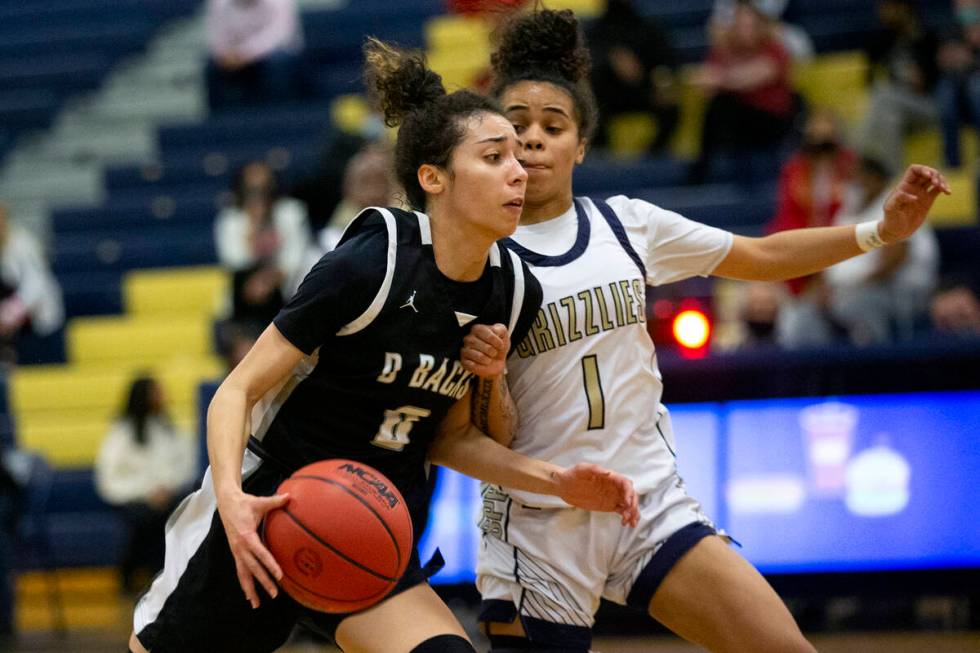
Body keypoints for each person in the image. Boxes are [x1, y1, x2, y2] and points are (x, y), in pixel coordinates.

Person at [129, 38, 639, 653]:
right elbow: (236, 390)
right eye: (494, 156)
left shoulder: (511, 291)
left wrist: (556, 480)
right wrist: (234, 501)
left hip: (366, 528)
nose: (519, 169)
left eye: (518, 157)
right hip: (267, 513)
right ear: (434, 178)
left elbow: (451, 438)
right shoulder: (371, 263)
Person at [462, 9, 949, 652]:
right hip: (537, 516)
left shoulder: (627, 224)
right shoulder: (471, 254)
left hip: (645, 499)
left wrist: (878, 232)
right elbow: (473, 424)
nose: (533, 139)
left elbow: (764, 256)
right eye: (516, 126)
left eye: (553, 127)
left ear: (580, 145)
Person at [94, 376, 198, 594]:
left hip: (167, 495)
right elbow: (109, 478)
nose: (162, 397)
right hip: (132, 500)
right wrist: (146, 492)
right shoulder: (121, 432)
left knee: (179, 516)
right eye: (155, 392)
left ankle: (166, 575)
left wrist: (166, 488)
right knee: (145, 520)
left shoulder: (168, 429)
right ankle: (135, 574)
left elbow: (185, 465)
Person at [214, 161, 312, 368]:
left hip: (286, 295)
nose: (258, 196)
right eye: (251, 191)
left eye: (263, 189)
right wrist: (254, 224)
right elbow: (235, 260)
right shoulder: (231, 219)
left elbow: (295, 257)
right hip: (244, 302)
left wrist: (268, 280)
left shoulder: (292, 212)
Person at [689, 0, 798, 183]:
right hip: (738, 123)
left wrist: (722, 79)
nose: (745, 29)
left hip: (770, 120)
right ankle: (702, 169)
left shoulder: (774, 49)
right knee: (718, 106)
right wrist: (719, 79)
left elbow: (757, 75)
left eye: (751, 24)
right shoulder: (724, 50)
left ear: (761, 25)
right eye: (741, 24)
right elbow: (704, 84)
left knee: (724, 104)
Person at [587, 0, 681, 155]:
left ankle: (654, 155)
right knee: (589, 108)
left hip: (644, 91)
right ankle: (601, 156)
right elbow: (584, 64)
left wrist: (663, 82)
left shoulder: (647, 28)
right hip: (607, 96)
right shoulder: (597, 31)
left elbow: (669, 62)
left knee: (670, 107)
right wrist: (611, 61)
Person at [856, 0, 939, 167]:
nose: (882, 12)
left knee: (883, 95)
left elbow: (933, 83)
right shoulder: (884, 37)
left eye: (887, 7)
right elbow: (868, 76)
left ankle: (856, 157)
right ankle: (893, 176)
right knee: (890, 117)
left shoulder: (927, 37)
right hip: (897, 108)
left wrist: (919, 77)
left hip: (927, 107)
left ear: (903, 7)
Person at [204, 0, 305, 111]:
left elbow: (281, 35)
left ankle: (279, 112)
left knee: (279, 62)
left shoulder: (280, 2)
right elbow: (216, 39)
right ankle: (221, 118)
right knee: (212, 65)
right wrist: (225, 54)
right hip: (235, 59)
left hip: (276, 56)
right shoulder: (218, 3)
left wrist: (246, 53)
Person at [0, 203, 64, 365]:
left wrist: (8, 315)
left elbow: (35, 285)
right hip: (16, 330)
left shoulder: (22, 244)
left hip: (41, 325)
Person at [936, 0, 980, 168]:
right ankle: (952, 164)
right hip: (957, 89)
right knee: (944, 93)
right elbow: (942, 62)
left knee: (977, 88)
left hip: (975, 89)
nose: (966, 7)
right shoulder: (951, 30)